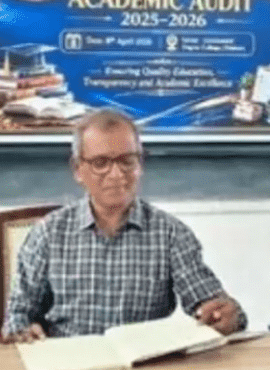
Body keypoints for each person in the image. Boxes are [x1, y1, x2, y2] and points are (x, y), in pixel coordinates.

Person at [2, 109, 247, 342]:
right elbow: (18, 315)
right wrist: (22, 330)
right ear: (78, 170)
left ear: (140, 165)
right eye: (101, 163)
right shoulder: (48, 234)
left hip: (145, 360)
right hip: (69, 359)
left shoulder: (171, 234)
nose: (116, 174)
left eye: (127, 161)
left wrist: (227, 315)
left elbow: (212, 304)